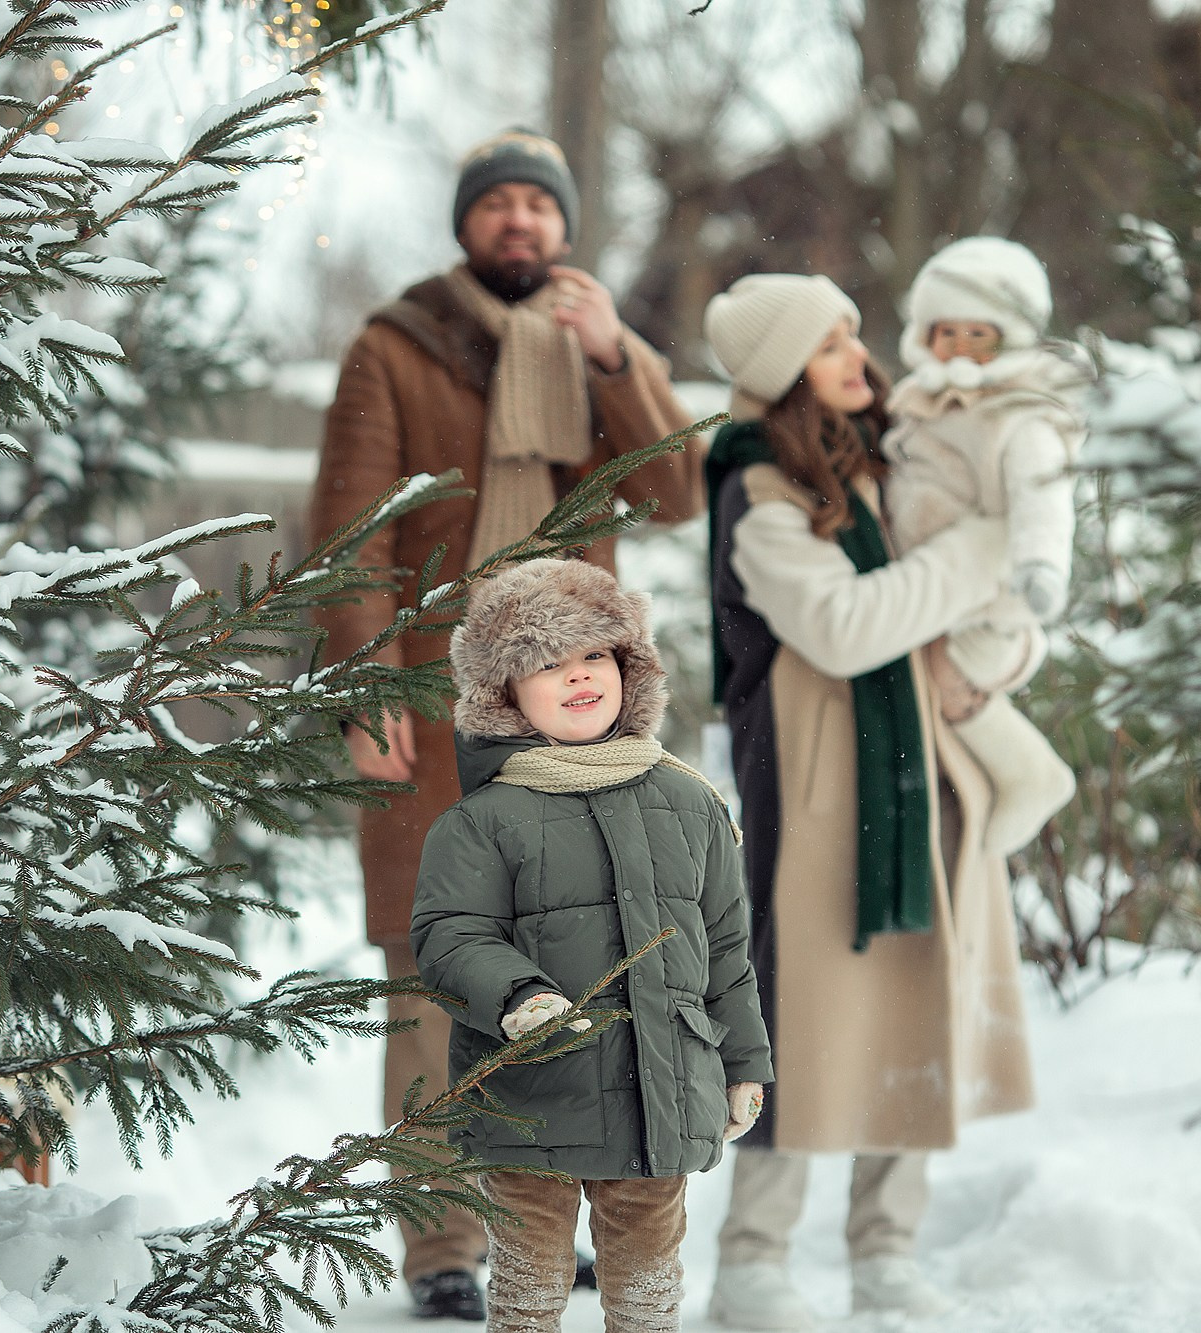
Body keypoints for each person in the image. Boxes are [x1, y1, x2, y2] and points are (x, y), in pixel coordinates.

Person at [308, 129, 702, 1319]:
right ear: (465, 223)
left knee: (575, 966)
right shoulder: (396, 345)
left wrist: (612, 353)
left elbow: (674, 490)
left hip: (574, 711)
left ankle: (542, 1214)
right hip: (436, 702)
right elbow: (353, 527)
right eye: (498, 204)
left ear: (565, 226)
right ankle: (437, 1246)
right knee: (434, 971)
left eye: (540, 202)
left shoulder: (592, 347)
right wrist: (369, 682)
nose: (519, 221)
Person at [698, 274, 1037, 1329]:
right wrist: (977, 549)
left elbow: (987, 615)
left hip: (914, 764)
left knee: (910, 992)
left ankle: (886, 1244)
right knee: (795, 1010)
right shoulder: (754, 489)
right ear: (779, 371)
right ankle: (751, 1261)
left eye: (854, 326)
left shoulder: (891, 460)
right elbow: (843, 627)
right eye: (827, 339)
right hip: (809, 778)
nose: (859, 351)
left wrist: (997, 651)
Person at [409, 559, 773, 1333]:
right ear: (503, 692)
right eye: (548, 663)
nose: (578, 677)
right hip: (528, 1103)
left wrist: (744, 1062)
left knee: (646, 1284)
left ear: (628, 668)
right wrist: (516, 993)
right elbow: (450, 934)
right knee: (530, 1288)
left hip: (659, 1096)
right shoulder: (482, 821)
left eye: (595, 656)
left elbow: (727, 949)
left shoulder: (687, 802)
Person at [883, 236, 1089, 854]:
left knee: (941, 673)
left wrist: (1040, 566)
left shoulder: (1021, 416)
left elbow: (1042, 496)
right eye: (951, 334)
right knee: (916, 675)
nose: (964, 350)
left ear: (1012, 340)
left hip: (994, 595)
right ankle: (967, 788)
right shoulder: (920, 403)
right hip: (935, 589)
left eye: (983, 335)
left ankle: (1032, 775)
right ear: (927, 336)